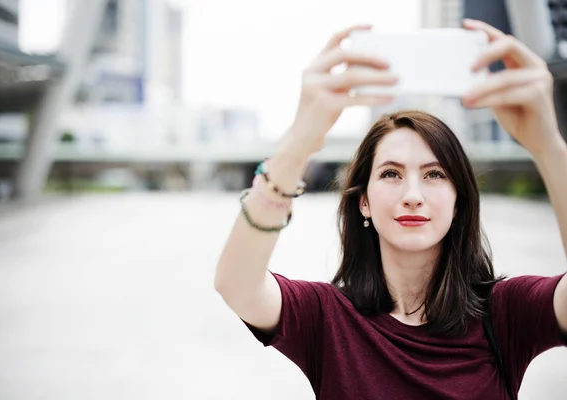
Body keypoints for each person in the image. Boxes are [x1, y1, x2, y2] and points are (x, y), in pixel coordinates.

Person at [214, 19, 567, 400]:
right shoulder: (327, 317)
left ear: (458, 201)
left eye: (434, 175)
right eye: (391, 174)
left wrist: (548, 145)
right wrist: (300, 139)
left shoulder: (506, 313)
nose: (412, 194)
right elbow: (237, 285)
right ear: (363, 201)